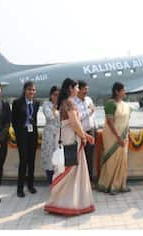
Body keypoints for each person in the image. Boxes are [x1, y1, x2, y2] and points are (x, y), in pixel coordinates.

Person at [45, 78, 95, 216]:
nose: (78, 90)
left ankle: (60, 201)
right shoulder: (70, 103)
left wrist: (84, 135)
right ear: (71, 88)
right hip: (71, 138)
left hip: (65, 137)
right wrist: (84, 136)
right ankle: (68, 203)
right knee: (72, 171)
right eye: (77, 87)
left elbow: (74, 123)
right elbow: (74, 123)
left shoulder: (63, 102)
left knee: (67, 170)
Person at [97, 82, 131, 195]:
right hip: (112, 137)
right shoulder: (110, 104)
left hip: (124, 136)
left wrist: (126, 134)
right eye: (123, 90)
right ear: (117, 91)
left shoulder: (126, 105)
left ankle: (120, 184)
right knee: (112, 159)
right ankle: (109, 185)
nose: (124, 92)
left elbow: (126, 121)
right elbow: (110, 123)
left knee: (123, 160)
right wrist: (118, 137)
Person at [11, 81, 40, 197]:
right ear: (24, 90)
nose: (31, 92)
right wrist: (19, 134)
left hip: (32, 134)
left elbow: (34, 119)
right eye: (29, 90)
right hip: (22, 135)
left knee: (32, 160)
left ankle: (30, 185)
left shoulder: (36, 103)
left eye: (33, 90)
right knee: (23, 161)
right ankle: (20, 188)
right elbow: (14, 121)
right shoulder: (17, 103)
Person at [74, 80, 97, 184]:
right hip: (80, 133)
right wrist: (89, 111)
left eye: (87, 89)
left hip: (91, 131)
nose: (86, 92)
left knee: (90, 157)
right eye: (84, 89)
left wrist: (95, 127)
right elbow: (77, 117)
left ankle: (89, 180)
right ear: (78, 90)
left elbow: (94, 114)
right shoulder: (73, 102)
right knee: (79, 158)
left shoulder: (88, 99)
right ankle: (79, 182)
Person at [40, 86, 61, 185]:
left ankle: (59, 183)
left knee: (59, 159)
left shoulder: (64, 105)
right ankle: (50, 182)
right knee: (49, 159)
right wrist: (55, 107)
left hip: (60, 135)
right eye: (55, 95)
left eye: (58, 95)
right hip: (49, 135)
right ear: (51, 95)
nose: (56, 97)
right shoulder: (46, 104)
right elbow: (50, 116)